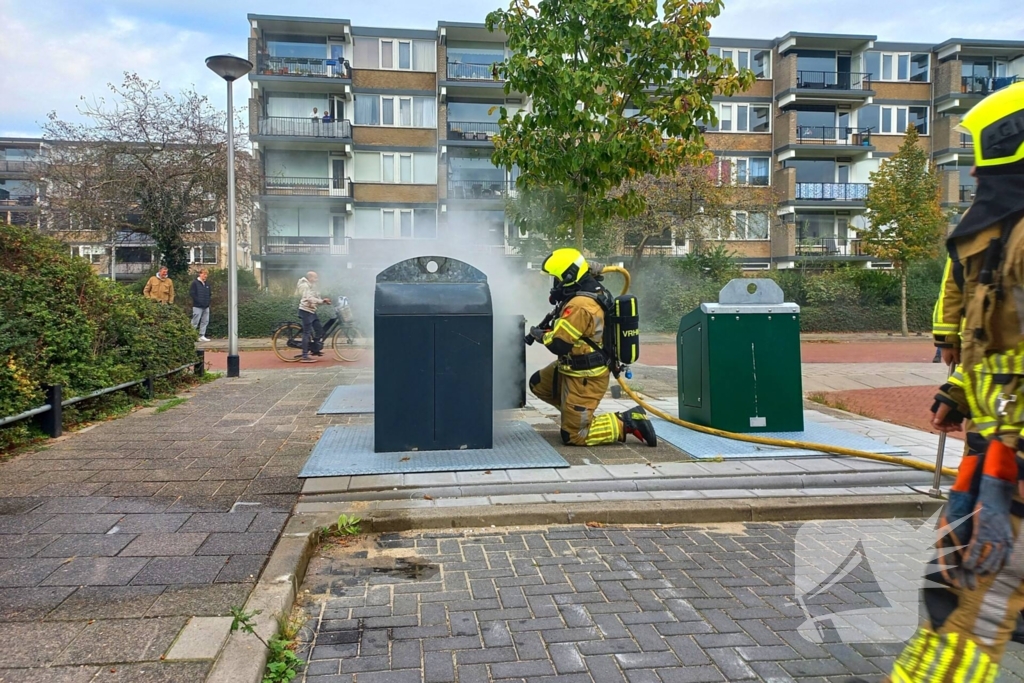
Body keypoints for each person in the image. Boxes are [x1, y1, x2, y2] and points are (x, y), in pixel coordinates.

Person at [848, 82, 1024, 683]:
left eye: (981, 155)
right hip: (995, 443)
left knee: (978, 590)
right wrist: (959, 392)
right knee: (956, 572)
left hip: (1011, 453)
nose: (975, 171)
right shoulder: (997, 233)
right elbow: (993, 337)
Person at [527, 248, 657, 447]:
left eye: (555, 278)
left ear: (568, 277)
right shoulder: (587, 286)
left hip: (585, 376)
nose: (553, 284)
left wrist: (539, 334)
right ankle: (576, 414)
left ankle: (628, 421)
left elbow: (559, 344)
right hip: (570, 368)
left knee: (574, 436)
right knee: (539, 384)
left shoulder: (580, 305)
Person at [295, 271, 330, 363]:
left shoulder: (312, 286)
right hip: (305, 311)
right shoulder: (305, 286)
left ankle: (315, 348)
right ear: (310, 278)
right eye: (315, 277)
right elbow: (308, 298)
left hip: (311, 311)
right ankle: (305, 355)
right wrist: (321, 301)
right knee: (307, 333)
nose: (317, 279)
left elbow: (316, 297)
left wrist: (324, 301)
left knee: (319, 330)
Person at [189, 268, 212, 342]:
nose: (205, 276)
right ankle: (191, 335)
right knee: (195, 321)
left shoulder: (207, 284)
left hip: (206, 306)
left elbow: (209, 294)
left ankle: (202, 335)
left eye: (206, 274)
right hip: (197, 306)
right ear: (200, 274)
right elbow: (192, 293)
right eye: (204, 274)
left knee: (205, 321)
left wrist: (207, 302)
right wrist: (198, 301)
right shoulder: (195, 283)